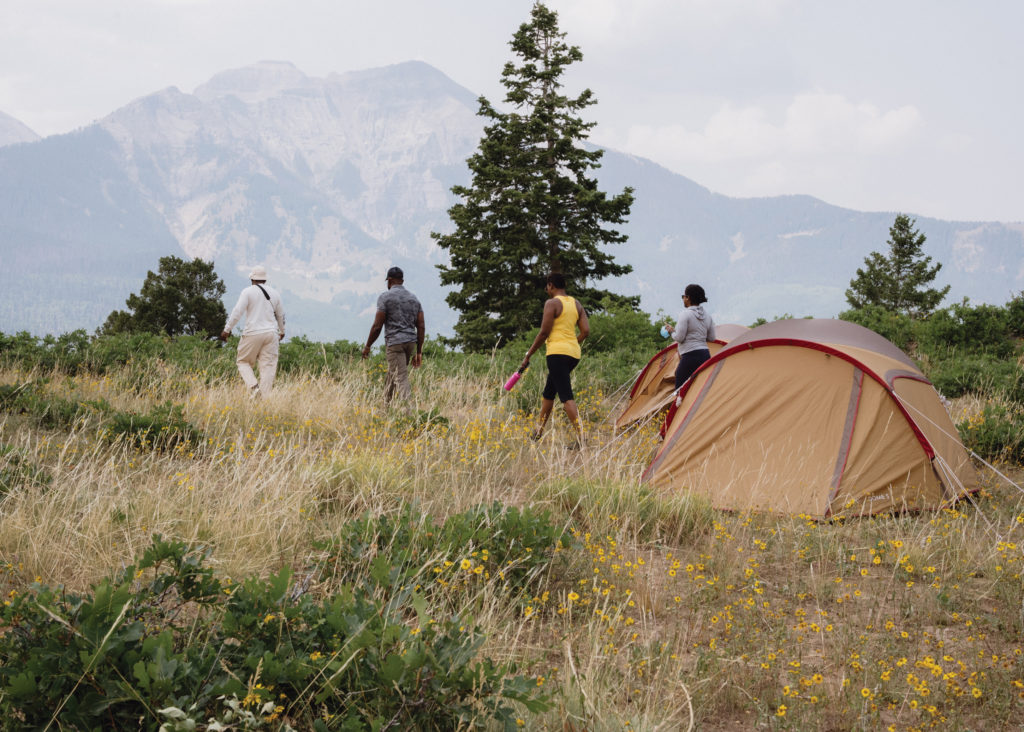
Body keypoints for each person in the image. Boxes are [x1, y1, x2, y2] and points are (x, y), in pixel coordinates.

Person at [520, 272, 590, 443]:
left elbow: (544, 332)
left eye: (547, 287)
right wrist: (572, 342)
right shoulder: (576, 304)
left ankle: (582, 436)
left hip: (556, 353)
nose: (547, 290)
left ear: (551, 285)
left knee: (566, 396)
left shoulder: (552, 303)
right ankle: (538, 432)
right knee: (549, 393)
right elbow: (586, 331)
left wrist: (528, 354)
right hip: (573, 353)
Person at [220, 265, 286, 397]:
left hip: (252, 332)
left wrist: (227, 329)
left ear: (252, 279)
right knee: (268, 367)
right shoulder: (275, 293)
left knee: (243, 361)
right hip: (272, 333)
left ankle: (255, 388)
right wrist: (282, 331)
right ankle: (265, 399)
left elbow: (237, 312)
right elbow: (280, 315)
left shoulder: (247, 292)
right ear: (265, 280)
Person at [362, 266, 425, 404]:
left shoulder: (385, 297)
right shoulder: (414, 299)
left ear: (389, 280)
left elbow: (377, 326)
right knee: (393, 373)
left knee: (400, 377)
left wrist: (368, 346)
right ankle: (385, 407)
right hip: (410, 343)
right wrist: (418, 352)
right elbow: (421, 326)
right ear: (402, 280)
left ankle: (408, 415)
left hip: (395, 343)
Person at [665, 283, 716, 389]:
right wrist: (698, 336)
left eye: (683, 296)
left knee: (680, 387)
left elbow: (679, 338)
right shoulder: (708, 316)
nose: (683, 298)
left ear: (688, 298)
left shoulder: (685, 314)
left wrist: (671, 331)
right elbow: (712, 338)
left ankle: (680, 405)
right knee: (700, 388)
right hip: (705, 355)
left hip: (690, 356)